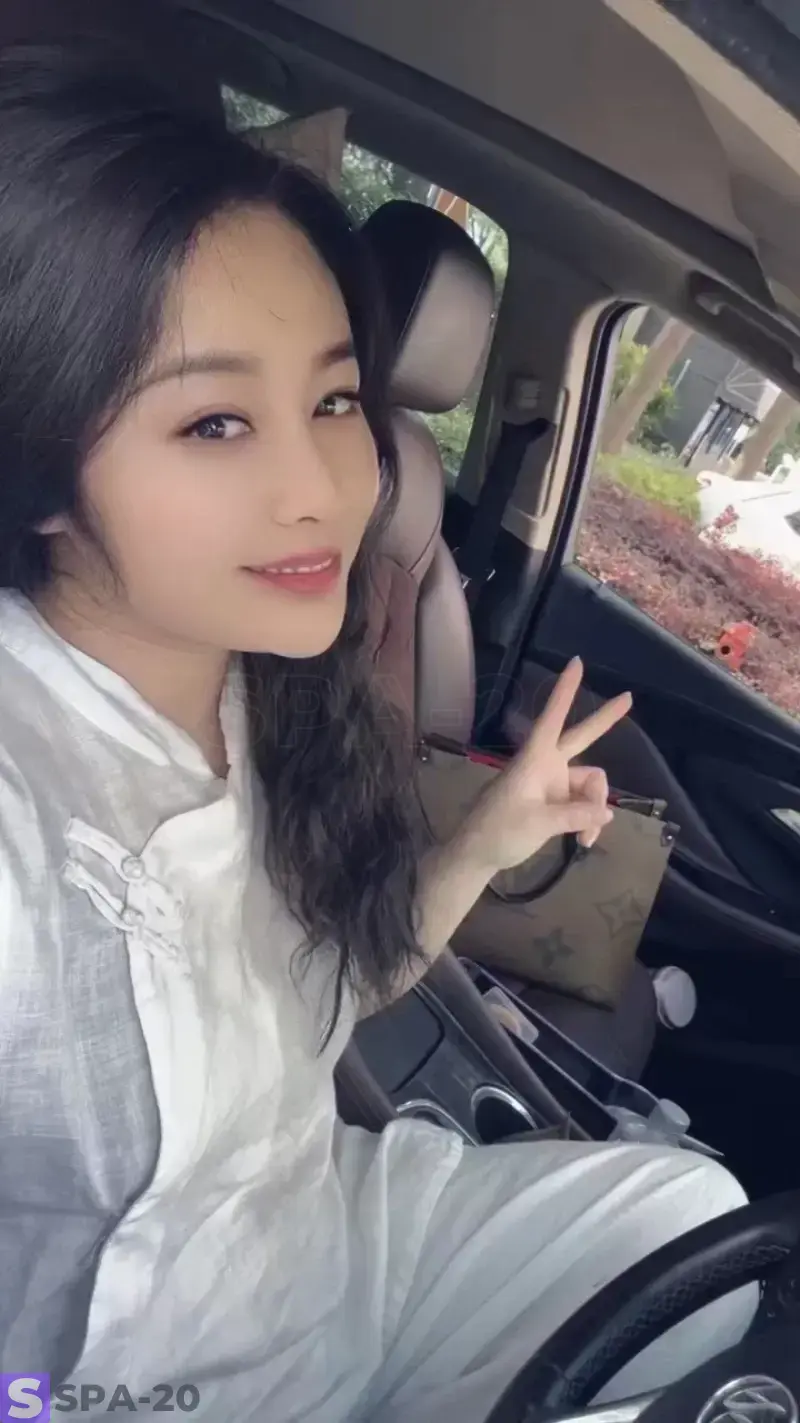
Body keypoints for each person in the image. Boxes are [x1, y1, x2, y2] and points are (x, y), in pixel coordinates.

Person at [0, 43, 754, 1423]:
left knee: (691, 1226)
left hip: (330, 1238)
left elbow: (324, 996)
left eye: (336, 400)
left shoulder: (262, 680)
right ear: (40, 470)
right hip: (123, 1383)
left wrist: (489, 840)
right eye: (215, 421)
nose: (323, 487)